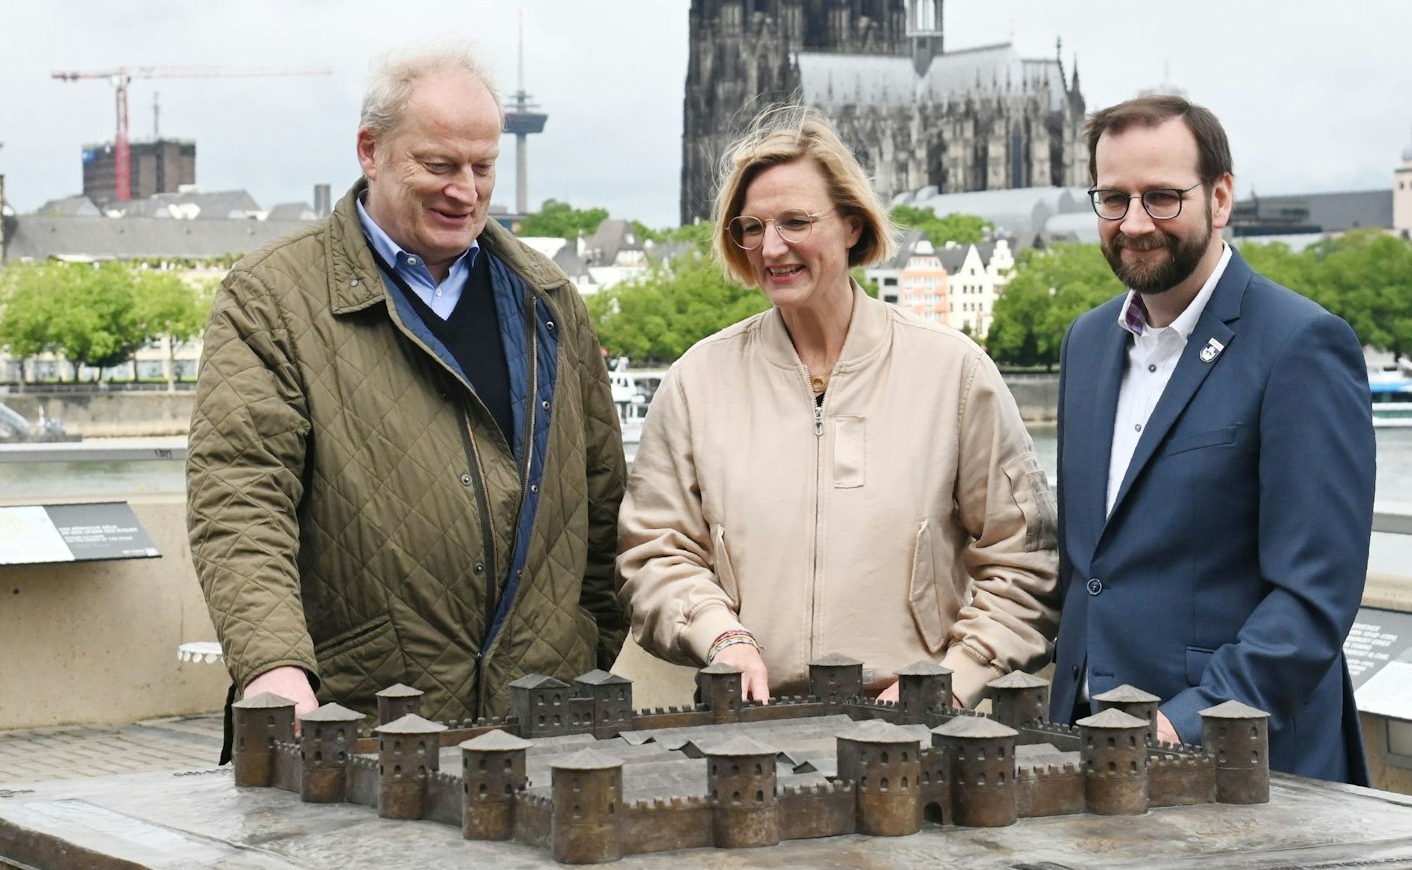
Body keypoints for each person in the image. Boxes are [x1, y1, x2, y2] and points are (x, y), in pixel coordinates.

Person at [187, 48, 626, 752]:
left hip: (538, 726)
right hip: (355, 726)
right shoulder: (270, 297)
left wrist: (578, 649)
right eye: (440, 165)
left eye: (482, 167)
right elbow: (240, 498)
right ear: (371, 151)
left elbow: (602, 504)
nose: (466, 190)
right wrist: (274, 667)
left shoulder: (548, 301)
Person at [617, 108, 1058, 709]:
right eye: (752, 227)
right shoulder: (697, 380)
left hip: (915, 732)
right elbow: (654, 554)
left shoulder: (954, 373)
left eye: (796, 221)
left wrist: (950, 681)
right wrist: (721, 638)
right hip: (743, 724)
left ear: (852, 225)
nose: (771, 248)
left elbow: (1025, 565)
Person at [1048, 95, 1375, 783]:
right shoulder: (1085, 341)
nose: (1134, 223)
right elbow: (1088, 571)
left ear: (1220, 198)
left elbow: (1312, 601)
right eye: (1113, 199)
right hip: (1092, 764)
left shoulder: (1301, 345)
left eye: (1162, 198)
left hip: (1246, 776)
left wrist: (1181, 724)